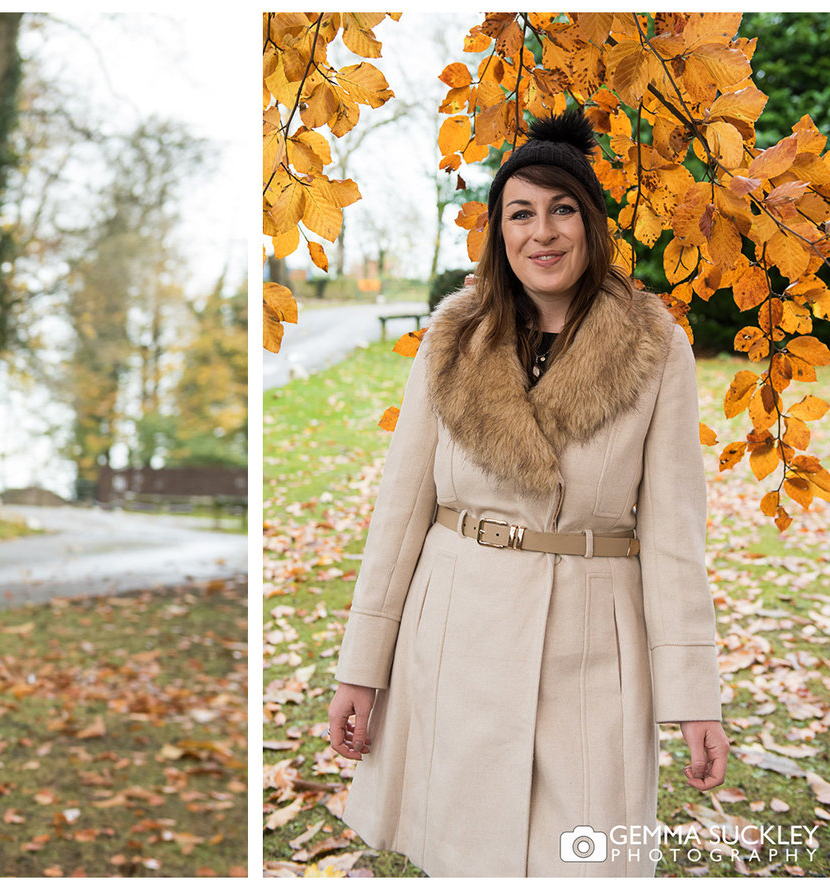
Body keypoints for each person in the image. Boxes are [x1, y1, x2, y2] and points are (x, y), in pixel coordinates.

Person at [324, 109, 727, 877]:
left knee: (582, 860)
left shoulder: (656, 343)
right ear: (499, 233)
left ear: (592, 224)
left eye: (562, 208)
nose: (542, 232)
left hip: (592, 649)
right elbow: (400, 510)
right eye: (521, 213)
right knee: (465, 858)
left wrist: (693, 695)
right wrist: (359, 669)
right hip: (456, 635)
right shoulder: (453, 334)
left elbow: (676, 535)